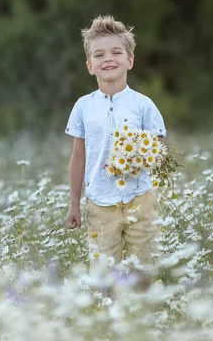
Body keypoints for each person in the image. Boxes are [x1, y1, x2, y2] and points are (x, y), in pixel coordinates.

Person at [64, 15, 166, 275]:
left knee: (144, 270)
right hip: (99, 202)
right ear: (89, 66)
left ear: (129, 61)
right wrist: (74, 203)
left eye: (116, 52)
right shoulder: (83, 106)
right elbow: (78, 157)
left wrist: (146, 156)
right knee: (103, 275)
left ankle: (141, 312)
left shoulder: (143, 105)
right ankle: (108, 313)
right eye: (99, 55)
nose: (107, 58)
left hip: (139, 198)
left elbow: (158, 151)